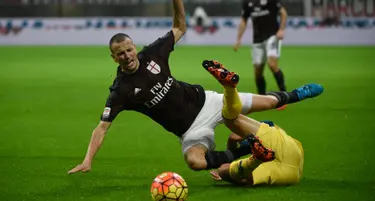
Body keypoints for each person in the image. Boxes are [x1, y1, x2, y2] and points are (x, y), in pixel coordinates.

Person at [68, 0, 322, 174]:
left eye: (128, 49)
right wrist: (87, 160)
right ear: (114, 58)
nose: (127, 56)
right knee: (195, 162)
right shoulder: (121, 90)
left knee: (269, 102)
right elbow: (102, 128)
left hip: (207, 102)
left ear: (134, 47)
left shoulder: (153, 53)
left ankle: (299, 93)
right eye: (120, 54)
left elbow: (179, 26)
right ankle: (246, 151)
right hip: (189, 131)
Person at [202, 61, 318, 186]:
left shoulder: (264, 138)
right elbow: (234, 138)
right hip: (290, 160)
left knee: (226, 171)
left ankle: (255, 160)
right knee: (231, 121)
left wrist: (232, 166)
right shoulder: (269, 136)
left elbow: (233, 138)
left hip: (289, 159)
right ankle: (229, 88)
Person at [233, 0, 288, 96]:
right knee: (258, 71)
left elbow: (283, 13)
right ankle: (262, 96)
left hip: (272, 36)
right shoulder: (247, 3)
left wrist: (281, 29)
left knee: (272, 64)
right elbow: (243, 20)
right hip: (257, 40)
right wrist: (238, 39)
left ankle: (284, 93)